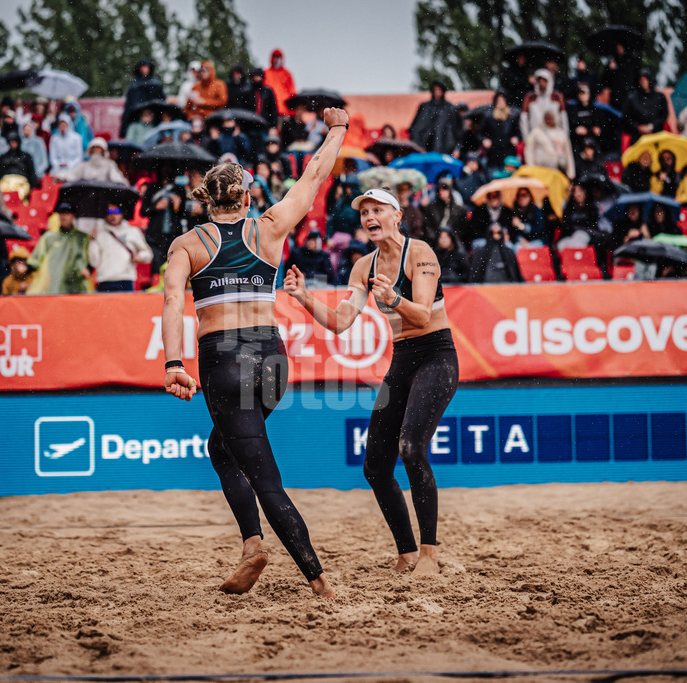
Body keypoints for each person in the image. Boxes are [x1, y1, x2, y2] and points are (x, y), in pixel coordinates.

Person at [160, 109, 349, 599]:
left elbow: (172, 302)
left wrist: (174, 363)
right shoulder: (269, 227)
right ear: (246, 196)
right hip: (272, 358)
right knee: (222, 449)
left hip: (224, 359)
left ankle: (319, 583)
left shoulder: (187, 244)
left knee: (264, 476)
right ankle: (250, 548)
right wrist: (337, 129)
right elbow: (314, 174)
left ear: (205, 200)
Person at [283, 185, 457, 577]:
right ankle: (407, 553)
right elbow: (341, 323)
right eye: (364, 213)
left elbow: (424, 317)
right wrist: (305, 298)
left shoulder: (422, 253)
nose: (369, 218)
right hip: (402, 360)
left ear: (397, 216)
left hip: (436, 356)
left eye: (378, 210)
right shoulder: (364, 266)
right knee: (376, 467)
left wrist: (394, 299)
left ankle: (429, 554)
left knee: (411, 447)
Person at [27, 202, 92, 294]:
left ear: (73, 216)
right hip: (54, 286)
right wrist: (27, 268)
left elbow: (88, 258)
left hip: (76, 286)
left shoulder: (82, 237)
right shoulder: (49, 237)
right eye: (61, 213)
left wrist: (88, 268)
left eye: (67, 213)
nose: (63, 216)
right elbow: (36, 259)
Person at [88, 203, 153, 292]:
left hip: (126, 280)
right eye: (109, 211)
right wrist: (93, 241)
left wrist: (140, 257)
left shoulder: (132, 231)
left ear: (122, 213)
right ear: (104, 214)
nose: (113, 215)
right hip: (105, 281)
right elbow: (94, 261)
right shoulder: (99, 234)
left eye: (117, 211)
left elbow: (148, 254)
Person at [409, 80, 461, 155]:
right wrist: (417, 146)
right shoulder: (425, 107)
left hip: (444, 149)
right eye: (435, 89)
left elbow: (457, 130)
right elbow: (416, 127)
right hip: (424, 148)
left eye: (439, 89)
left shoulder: (450, 108)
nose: (437, 92)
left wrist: (456, 148)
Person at [121, 59, 167, 137]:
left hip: (154, 117)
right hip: (137, 117)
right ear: (139, 68)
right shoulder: (134, 84)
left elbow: (161, 99)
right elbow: (130, 103)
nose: (144, 69)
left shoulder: (155, 83)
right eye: (142, 67)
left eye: (146, 67)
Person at [477, 91, 521, 169]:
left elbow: (519, 132)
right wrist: (484, 140)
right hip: (494, 150)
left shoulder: (513, 115)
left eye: (502, 100)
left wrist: (516, 138)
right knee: (495, 173)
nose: (501, 103)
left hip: (508, 149)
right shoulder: (489, 116)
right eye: (499, 100)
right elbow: (480, 133)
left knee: (508, 173)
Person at [525, 110, 575, 178]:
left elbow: (568, 153)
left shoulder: (562, 133)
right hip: (540, 170)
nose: (549, 120)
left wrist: (571, 173)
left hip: (559, 170)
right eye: (547, 118)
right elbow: (529, 149)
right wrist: (531, 167)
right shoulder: (535, 132)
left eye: (550, 117)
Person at [520, 68, 568, 139]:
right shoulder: (530, 98)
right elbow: (524, 119)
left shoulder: (556, 97)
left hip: (554, 138)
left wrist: (564, 137)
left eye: (544, 81)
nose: (542, 83)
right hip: (536, 138)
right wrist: (527, 138)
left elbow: (563, 117)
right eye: (539, 81)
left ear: (549, 81)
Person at [422, 178, 468, 245]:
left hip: (454, 243)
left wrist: (451, 238)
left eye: (444, 188)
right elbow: (427, 226)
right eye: (439, 189)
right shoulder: (431, 207)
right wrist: (435, 238)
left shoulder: (459, 209)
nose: (441, 192)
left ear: (450, 190)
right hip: (434, 242)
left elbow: (462, 229)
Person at [623, 69, 669, 137]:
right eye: (641, 80)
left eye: (645, 79)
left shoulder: (659, 97)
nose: (643, 82)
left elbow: (664, 115)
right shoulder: (632, 98)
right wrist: (638, 127)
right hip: (638, 136)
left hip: (656, 134)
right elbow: (627, 117)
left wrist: (652, 126)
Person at [264, 48, 297, 117]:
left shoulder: (287, 74)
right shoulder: (266, 73)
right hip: (269, 110)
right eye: (275, 57)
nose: (276, 60)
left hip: (284, 111)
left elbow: (292, 92)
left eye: (278, 57)